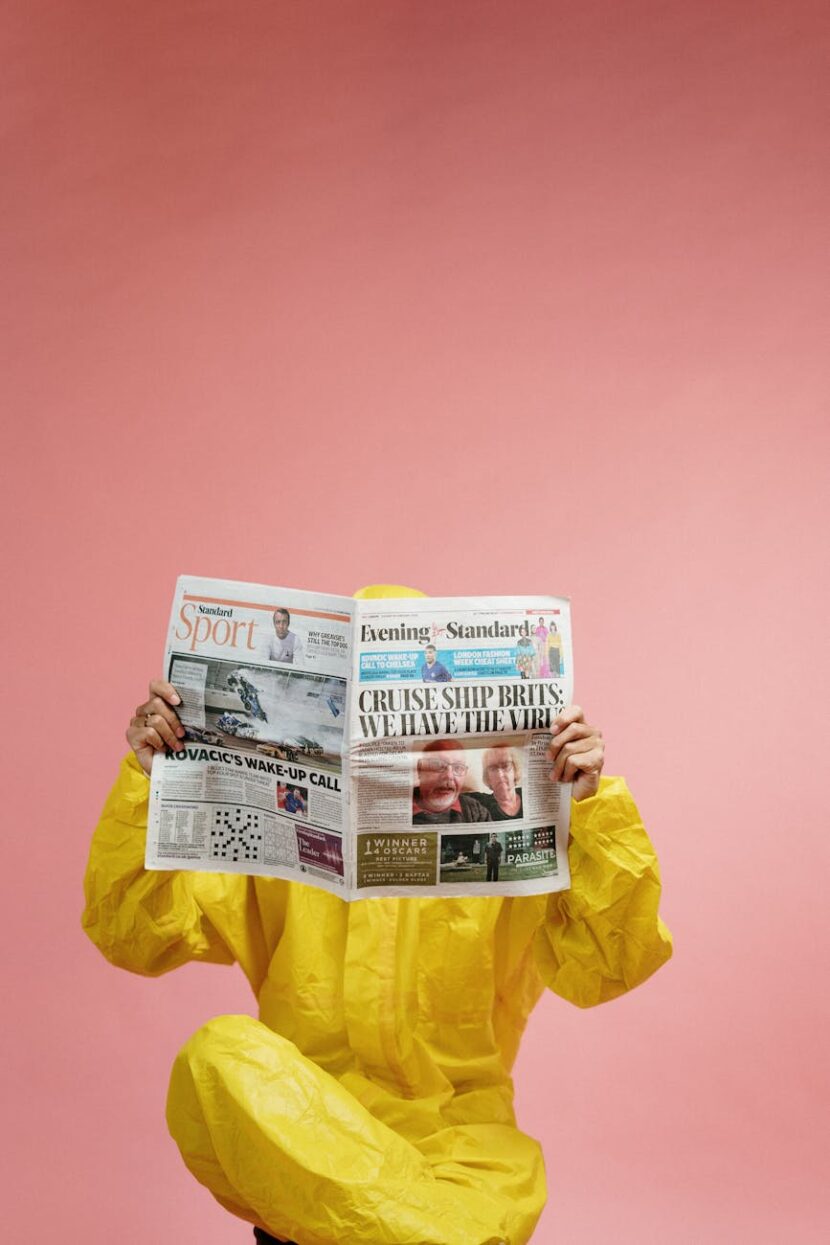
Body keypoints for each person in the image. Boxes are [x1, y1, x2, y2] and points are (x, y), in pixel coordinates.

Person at [82, 583, 672, 1245]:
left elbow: (615, 963)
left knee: (487, 1198)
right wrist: (148, 775)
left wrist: (591, 805)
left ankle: (412, 1228)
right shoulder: (271, 825)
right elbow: (131, 933)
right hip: (305, 1134)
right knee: (215, 1056)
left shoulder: (514, 830)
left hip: (461, 1152)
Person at [412, 739, 493, 825]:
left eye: (458, 768)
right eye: (437, 765)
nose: (449, 776)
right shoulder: (402, 803)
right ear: (420, 770)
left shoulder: (475, 810)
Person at [473, 746, 523, 820]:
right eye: (493, 768)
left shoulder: (528, 794)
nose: (500, 775)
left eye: (506, 766)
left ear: (515, 770)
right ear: (487, 776)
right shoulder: (482, 804)